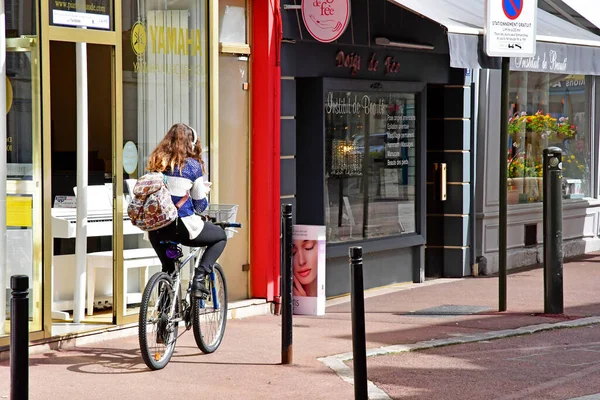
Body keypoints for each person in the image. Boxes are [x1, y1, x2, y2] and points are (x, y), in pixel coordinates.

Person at [146, 123, 226, 298]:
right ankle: (199, 278)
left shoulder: (156, 162)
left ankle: (164, 317)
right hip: (181, 227)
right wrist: (203, 191)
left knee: (168, 270)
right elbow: (199, 206)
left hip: (156, 229)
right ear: (190, 144)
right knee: (220, 236)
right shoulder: (191, 166)